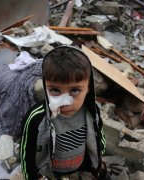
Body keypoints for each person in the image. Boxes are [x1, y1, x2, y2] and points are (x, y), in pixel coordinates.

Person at [20, 46, 107, 179]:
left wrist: (98, 158)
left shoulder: (91, 111)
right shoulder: (36, 118)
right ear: (45, 87)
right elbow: (27, 153)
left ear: (88, 87)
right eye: (55, 90)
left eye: (75, 90)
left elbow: (98, 133)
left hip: (81, 165)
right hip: (52, 172)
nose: (65, 101)